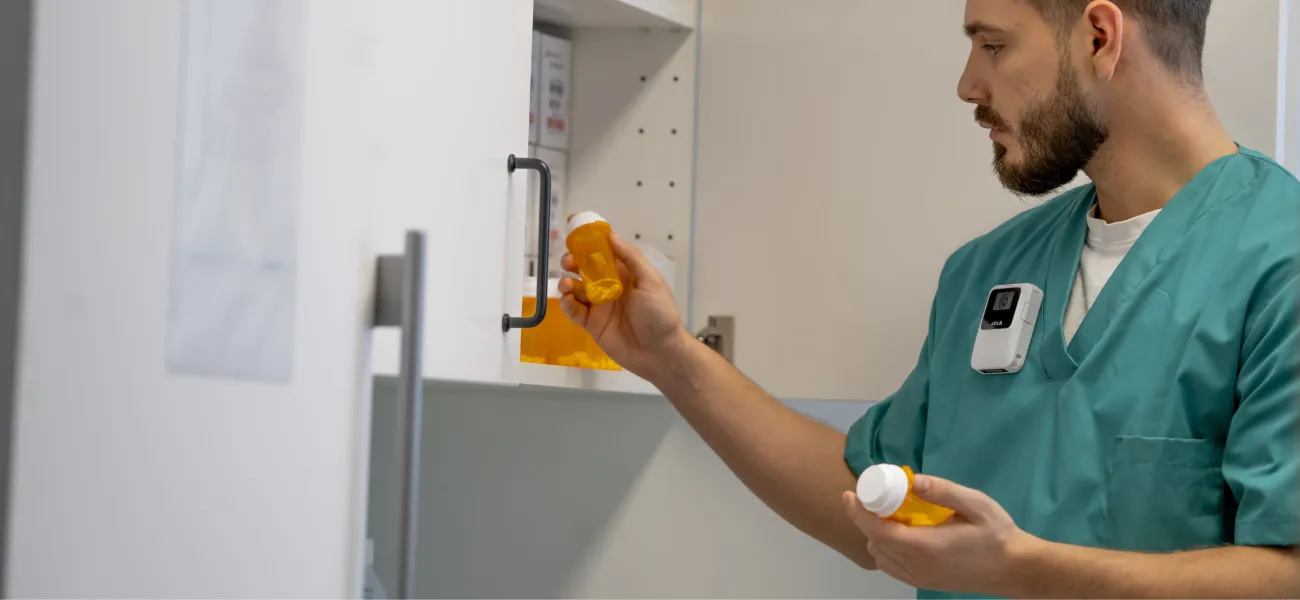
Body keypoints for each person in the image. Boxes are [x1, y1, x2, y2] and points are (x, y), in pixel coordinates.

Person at [559, 0, 1300, 597]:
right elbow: (870, 506)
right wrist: (671, 358)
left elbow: (1286, 573)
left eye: (994, 45)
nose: (968, 85)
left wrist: (1022, 570)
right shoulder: (990, 271)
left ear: (1100, 37)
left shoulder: (1279, 263)